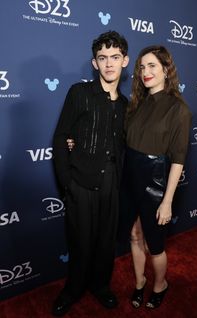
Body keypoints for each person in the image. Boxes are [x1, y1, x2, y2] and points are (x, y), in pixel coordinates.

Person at [52, 30, 129, 316]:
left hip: (112, 184)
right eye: (102, 58)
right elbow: (61, 138)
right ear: (95, 63)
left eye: (115, 57)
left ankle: (100, 286)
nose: (109, 63)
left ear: (125, 60)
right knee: (80, 241)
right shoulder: (79, 93)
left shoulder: (126, 105)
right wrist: (67, 184)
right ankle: (72, 290)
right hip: (80, 182)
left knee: (105, 241)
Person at [118, 45, 192, 309]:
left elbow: (179, 159)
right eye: (141, 67)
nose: (145, 72)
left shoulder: (178, 109)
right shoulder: (137, 103)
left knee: (155, 244)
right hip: (129, 180)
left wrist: (167, 201)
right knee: (135, 235)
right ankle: (140, 282)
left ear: (165, 69)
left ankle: (160, 284)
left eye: (152, 66)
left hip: (156, 183)